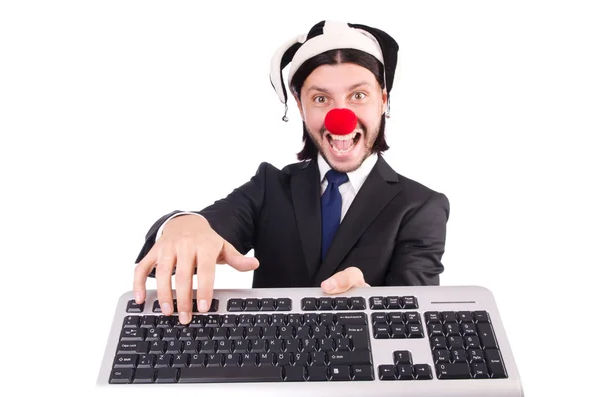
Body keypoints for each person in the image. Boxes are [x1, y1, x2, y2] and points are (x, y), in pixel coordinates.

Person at [133, 20, 450, 325]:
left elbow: (415, 319)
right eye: (321, 98)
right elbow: (214, 225)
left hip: (361, 373)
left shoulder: (421, 206)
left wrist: (371, 306)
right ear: (301, 106)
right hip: (268, 368)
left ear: (382, 101)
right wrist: (184, 225)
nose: (341, 117)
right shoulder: (270, 187)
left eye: (358, 95)